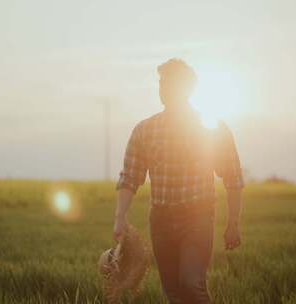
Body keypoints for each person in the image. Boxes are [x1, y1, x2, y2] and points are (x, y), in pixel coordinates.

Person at [112, 58, 244, 304]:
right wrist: (120, 217)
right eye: (161, 82)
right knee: (173, 292)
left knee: (192, 285)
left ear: (187, 89)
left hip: (197, 217)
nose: (162, 88)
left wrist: (233, 223)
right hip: (160, 220)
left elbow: (233, 176)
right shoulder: (145, 130)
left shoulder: (211, 126)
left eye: (169, 83)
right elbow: (130, 177)